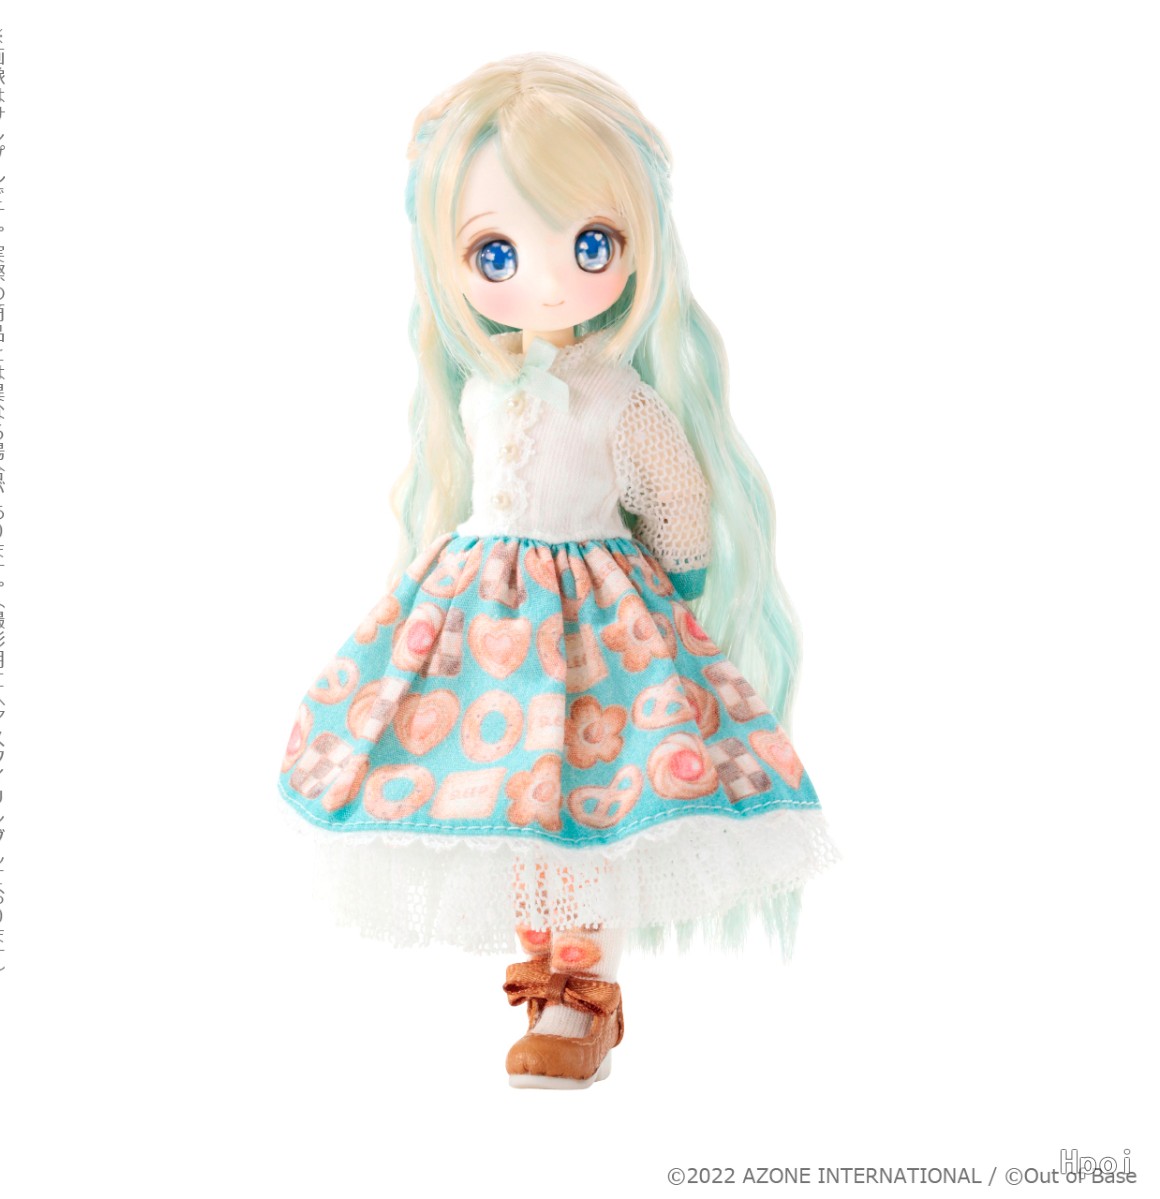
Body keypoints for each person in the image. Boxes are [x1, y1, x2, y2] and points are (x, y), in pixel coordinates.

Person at [277, 52, 836, 1089]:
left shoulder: (621, 397)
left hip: (597, 621)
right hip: (483, 617)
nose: (542, 279)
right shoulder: (481, 388)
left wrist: (675, 590)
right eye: (494, 251)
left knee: (589, 797)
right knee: (511, 793)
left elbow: (677, 504)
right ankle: (541, 974)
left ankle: (587, 989)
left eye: (588, 244)